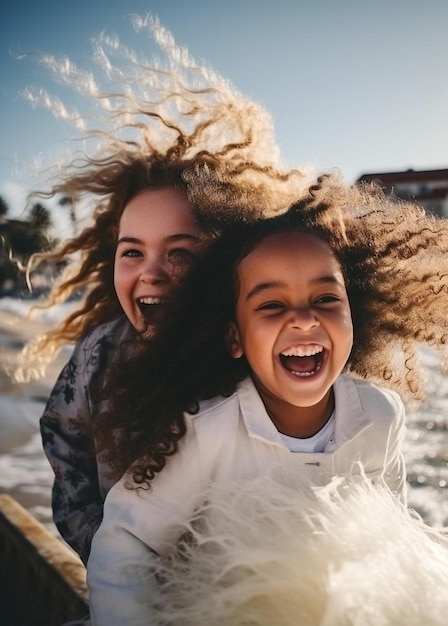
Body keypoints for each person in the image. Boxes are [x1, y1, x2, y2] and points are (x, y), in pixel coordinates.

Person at [86, 174, 448, 624]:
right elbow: (127, 541)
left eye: (326, 298)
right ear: (235, 336)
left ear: (355, 316)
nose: (304, 319)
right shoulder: (205, 431)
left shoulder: (380, 416)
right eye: (271, 305)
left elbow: (388, 533)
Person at [14, 16, 306, 565]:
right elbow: (62, 435)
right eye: (133, 252)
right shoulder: (102, 352)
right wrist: (100, 545)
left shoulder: (256, 352)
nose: (151, 271)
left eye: (180, 253)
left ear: (223, 261)